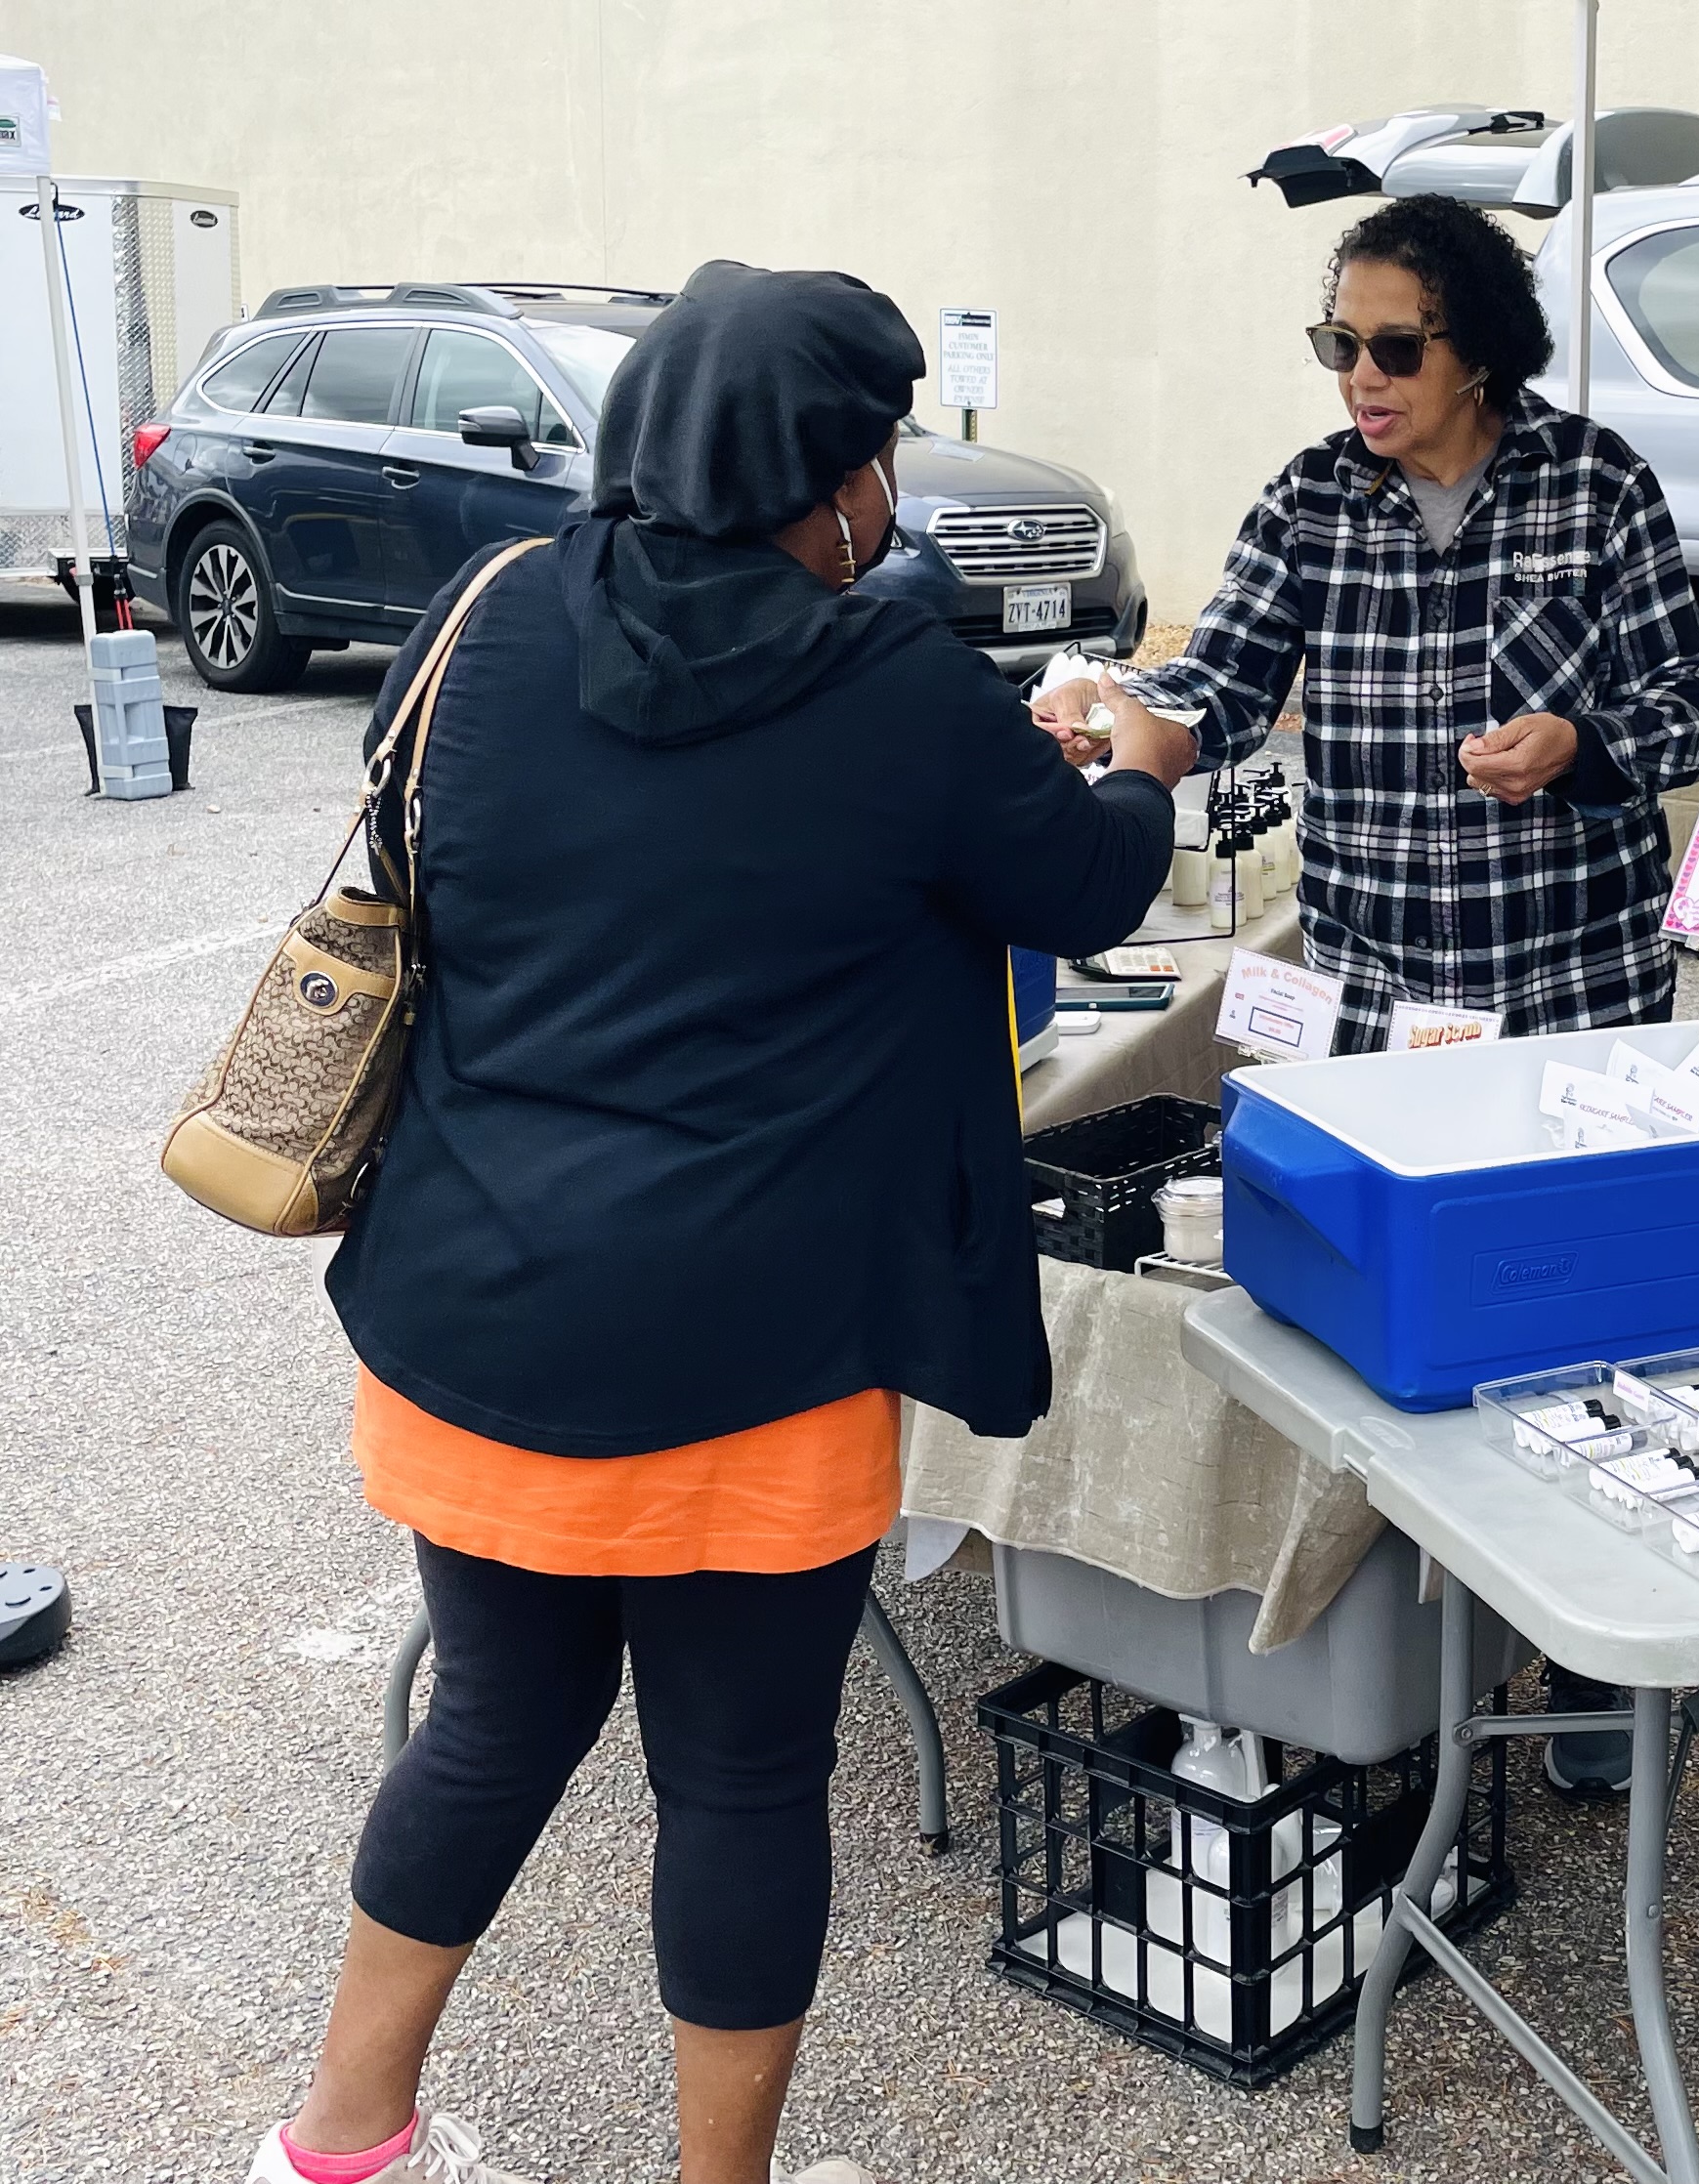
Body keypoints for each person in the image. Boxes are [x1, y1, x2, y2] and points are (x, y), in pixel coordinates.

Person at [248, 263, 1194, 2184]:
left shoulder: (491, 610)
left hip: (483, 1308)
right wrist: (1140, 759)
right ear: (830, 472)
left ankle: (335, 2142)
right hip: (761, 1348)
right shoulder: (905, 693)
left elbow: (444, 845)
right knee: (742, 1771)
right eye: (883, 448)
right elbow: (1082, 885)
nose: (893, 487)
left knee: (494, 1721)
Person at [1038, 194, 1699, 1797]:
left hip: (1570, 983)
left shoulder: (1592, 487)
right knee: (1395, 1331)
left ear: (1479, 349)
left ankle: (1594, 1670)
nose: (1361, 374)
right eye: (1338, 343)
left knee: (1573, 1314)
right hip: (1375, 996)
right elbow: (1218, 684)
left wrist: (1587, 748)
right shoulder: (1311, 497)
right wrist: (1119, 724)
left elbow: (1693, 701)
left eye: (1394, 346)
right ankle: (1415, 1657)